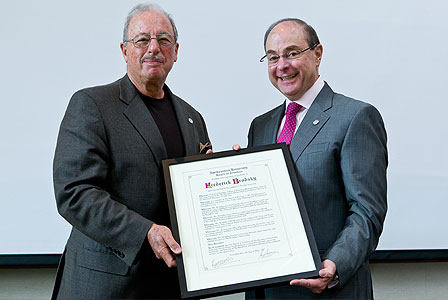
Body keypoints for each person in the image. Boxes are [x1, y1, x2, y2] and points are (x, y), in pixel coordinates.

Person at [51, 3, 211, 299]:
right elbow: (75, 193)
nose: (154, 48)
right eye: (142, 40)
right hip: (108, 285)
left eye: (164, 40)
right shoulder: (92, 104)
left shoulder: (193, 118)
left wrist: (226, 176)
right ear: (125, 51)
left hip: (173, 284)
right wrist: (145, 232)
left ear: (176, 51)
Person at [244, 18, 388, 299]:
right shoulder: (260, 126)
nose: (282, 65)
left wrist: (334, 264)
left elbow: (367, 211)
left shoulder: (356, 117)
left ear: (317, 53)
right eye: (273, 57)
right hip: (267, 290)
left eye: (292, 53)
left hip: (328, 287)